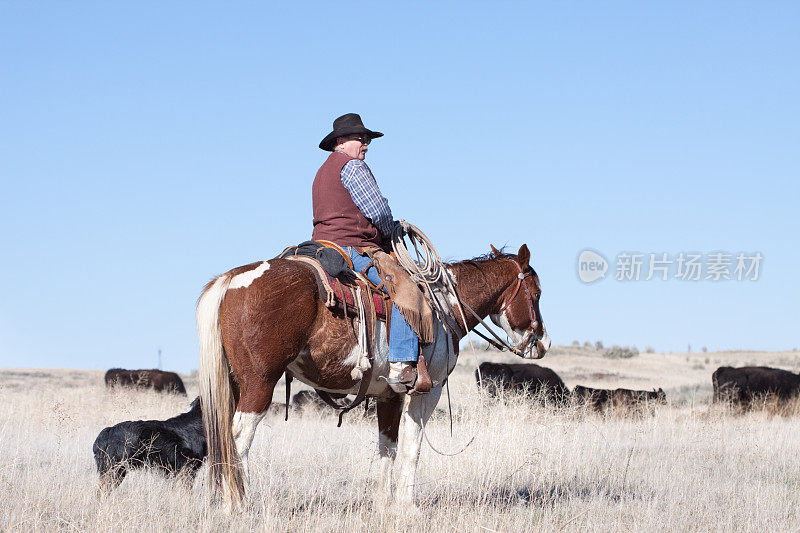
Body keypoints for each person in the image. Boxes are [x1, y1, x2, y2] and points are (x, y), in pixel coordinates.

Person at [312, 113, 429, 394]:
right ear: (341, 142)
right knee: (408, 288)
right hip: (353, 246)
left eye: (367, 139)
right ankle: (401, 364)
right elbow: (377, 210)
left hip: (322, 247)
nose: (366, 144)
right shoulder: (352, 167)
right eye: (360, 139)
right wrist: (391, 233)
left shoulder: (321, 172)